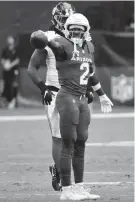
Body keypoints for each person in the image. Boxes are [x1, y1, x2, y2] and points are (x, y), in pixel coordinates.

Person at [29, 13, 113, 200]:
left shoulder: (89, 46)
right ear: (67, 30)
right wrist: (41, 37)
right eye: (73, 29)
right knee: (68, 143)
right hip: (67, 97)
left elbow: (90, 73)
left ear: (86, 31)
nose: (76, 32)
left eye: (79, 29)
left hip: (83, 98)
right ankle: (66, 191)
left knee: (81, 143)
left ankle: (79, 187)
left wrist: (102, 95)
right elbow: (45, 42)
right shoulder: (61, 44)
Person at [0, 35, 20, 109]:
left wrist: (10, 65)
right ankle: (7, 102)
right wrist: (5, 64)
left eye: (11, 39)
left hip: (14, 72)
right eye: (8, 39)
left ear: (13, 40)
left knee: (13, 86)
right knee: (6, 86)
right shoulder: (5, 50)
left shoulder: (16, 49)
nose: (9, 41)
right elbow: (2, 59)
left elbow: (17, 60)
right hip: (6, 72)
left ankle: (13, 101)